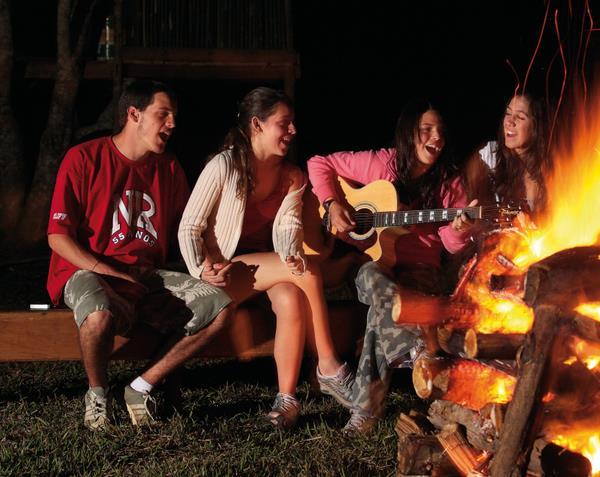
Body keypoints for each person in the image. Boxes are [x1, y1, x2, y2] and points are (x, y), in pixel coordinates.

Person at [47, 80, 234, 430]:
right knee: (99, 314)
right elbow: (58, 237)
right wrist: (110, 272)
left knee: (219, 308)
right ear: (134, 114)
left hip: (144, 275)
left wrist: (205, 263)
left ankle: (140, 386)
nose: (172, 124)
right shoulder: (84, 158)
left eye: (174, 116)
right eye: (163, 114)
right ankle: (98, 398)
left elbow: (189, 228)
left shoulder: (169, 168)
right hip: (87, 270)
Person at [178, 87, 353, 429]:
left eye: (293, 124)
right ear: (257, 124)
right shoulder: (225, 165)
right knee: (309, 270)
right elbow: (189, 226)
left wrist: (289, 253)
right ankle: (328, 364)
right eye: (283, 123)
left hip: (264, 269)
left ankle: (286, 399)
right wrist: (201, 267)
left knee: (290, 296)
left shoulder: (291, 176)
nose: (292, 131)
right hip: (225, 272)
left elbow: (287, 226)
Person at [307, 98, 478, 434]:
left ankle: (365, 413)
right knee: (372, 276)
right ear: (408, 133)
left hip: (420, 269)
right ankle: (413, 342)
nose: (436, 137)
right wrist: (332, 205)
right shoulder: (381, 164)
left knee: (379, 312)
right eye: (426, 129)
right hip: (376, 262)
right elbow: (319, 162)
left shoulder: (450, 183)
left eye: (441, 131)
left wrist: (460, 232)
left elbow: (447, 243)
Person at [465, 92, 550, 216]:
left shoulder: (552, 168)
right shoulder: (489, 156)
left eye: (520, 117)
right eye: (508, 113)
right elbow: (469, 206)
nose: (509, 122)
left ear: (536, 126)